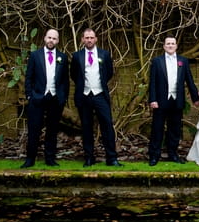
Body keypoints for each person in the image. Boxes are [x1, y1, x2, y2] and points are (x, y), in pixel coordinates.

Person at [70, 28, 123, 167]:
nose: (89, 40)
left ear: (96, 39)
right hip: (84, 96)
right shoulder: (77, 56)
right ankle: (89, 158)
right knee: (86, 128)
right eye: (86, 38)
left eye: (91, 37)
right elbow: (74, 75)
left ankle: (111, 158)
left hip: (100, 95)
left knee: (107, 126)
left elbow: (109, 73)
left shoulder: (104, 54)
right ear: (82, 39)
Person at [148, 35, 199, 166]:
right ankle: (154, 156)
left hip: (176, 100)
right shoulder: (157, 61)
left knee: (175, 129)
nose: (170, 45)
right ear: (164, 46)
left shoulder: (183, 61)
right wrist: (153, 99)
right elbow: (152, 82)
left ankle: (173, 154)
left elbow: (189, 80)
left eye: (173, 43)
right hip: (160, 100)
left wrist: (195, 98)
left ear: (176, 46)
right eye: (168, 43)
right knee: (157, 129)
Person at [20, 29, 69, 168]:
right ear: (44, 38)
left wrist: (63, 97)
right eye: (49, 37)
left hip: (55, 98)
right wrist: (29, 95)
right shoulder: (35, 55)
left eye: (54, 38)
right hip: (37, 97)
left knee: (52, 131)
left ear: (58, 41)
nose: (51, 40)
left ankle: (50, 159)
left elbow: (65, 80)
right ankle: (30, 160)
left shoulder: (62, 57)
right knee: (34, 130)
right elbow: (28, 77)